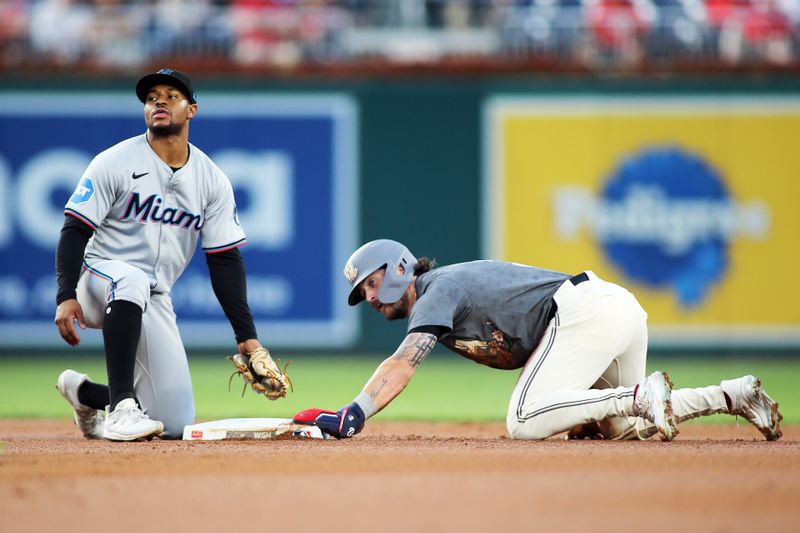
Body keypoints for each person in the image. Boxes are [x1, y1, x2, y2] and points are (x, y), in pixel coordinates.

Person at [293, 239, 784, 441]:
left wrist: (352, 413)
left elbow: (402, 363)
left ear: (399, 266)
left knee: (523, 420)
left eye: (373, 283)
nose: (372, 297)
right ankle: (731, 394)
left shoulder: (437, 291)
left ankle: (637, 395)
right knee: (614, 431)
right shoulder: (438, 296)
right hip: (612, 311)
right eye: (363, 294)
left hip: (584, 311)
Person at [54, 68, 278, 441]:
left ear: (192, 110)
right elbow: (74, 229)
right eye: (151, 97)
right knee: (132, 277)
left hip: (153, 296)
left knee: (173, 423)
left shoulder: (211, 179)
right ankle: (123, 406)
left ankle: (85, 394)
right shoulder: (114, 162)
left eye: (171, 96)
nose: (159, 101)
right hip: (99, 281)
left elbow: (224, 260)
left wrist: (247, 337)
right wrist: (65, 295)